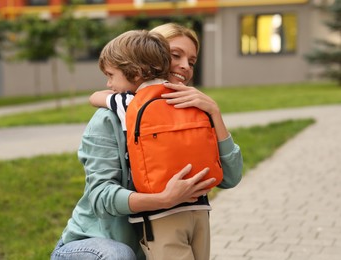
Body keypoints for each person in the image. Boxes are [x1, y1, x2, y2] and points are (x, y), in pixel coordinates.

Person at [51, 23, 242, 260]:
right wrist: (163, 199)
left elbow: (230, 177)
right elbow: (100, 196)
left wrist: (214, 113)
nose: (185, 66)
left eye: (191, 61)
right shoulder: (110, 117)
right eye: (175, 55)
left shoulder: (191, 115)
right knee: (118, 256)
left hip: (154, 245)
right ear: (146, 59)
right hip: (96, 244)